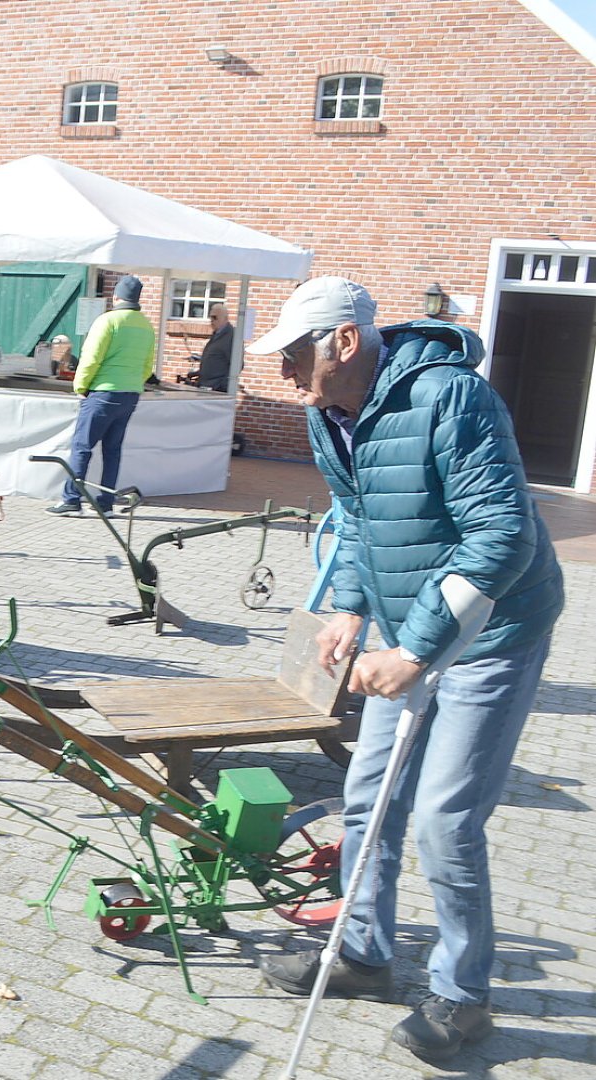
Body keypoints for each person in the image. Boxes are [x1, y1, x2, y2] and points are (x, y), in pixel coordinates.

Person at [249, 277, 563, 1062]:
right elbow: (354, 515)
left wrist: (414, 652)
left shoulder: (452, 397)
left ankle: (463, 997)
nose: (284, 373)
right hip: (399, 631)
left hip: (491, 632)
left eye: (293, 356)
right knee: (366, 796)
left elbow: (501, 535)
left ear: (343, 343)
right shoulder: (331, 412)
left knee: (444, 820)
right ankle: (362, 954)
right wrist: (352, 606)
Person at [49, 275, 155, 515]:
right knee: (113, 449)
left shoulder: (107, 321)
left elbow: (91, 357)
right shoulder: (146, 326)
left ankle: (72, 499)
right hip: (130, 394)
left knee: (82, 447)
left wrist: (81, 386)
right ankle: (105, 503)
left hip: (103, 392)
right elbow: (148, 366)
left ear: (116, 296)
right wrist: (133, 382)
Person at [198, 302, 235, 392]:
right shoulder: (216, 334)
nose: (212, 320)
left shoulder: (231, 337)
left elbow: (237, 365)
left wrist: (221, 384)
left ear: (225, 319)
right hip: (207, 386)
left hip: (217, 389)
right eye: (210, 317)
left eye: (215, 317)